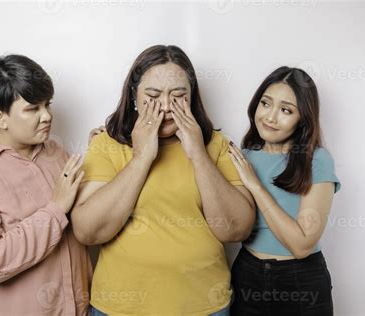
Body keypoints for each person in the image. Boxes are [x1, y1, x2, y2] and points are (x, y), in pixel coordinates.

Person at [70, 45, 256, 316]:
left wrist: (198, 155)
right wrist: (142, 158)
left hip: (203, 306)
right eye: (153, 95)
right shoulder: (106, 144)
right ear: (134, 96)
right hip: (120, 308)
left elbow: (235, 230)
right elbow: (88, 232)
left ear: (192, 98)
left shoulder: (216, 146)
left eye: (179, 96)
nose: (167, 106)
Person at [0, 54, 92, 315]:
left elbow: (86, 214)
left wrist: (101, 153)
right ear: (0, 118)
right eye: (32, 109)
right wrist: (55, 209)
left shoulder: (55, 153)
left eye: (47, 105)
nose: (47, 116)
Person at [228, 66, 341, 316]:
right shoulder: (242, 157)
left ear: (303, 119)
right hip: (247, 274)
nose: (270, 117)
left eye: (286, 110)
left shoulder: (316, 160)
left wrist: (256, 186)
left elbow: (301, 245)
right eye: (265, 104)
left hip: (300, 281)